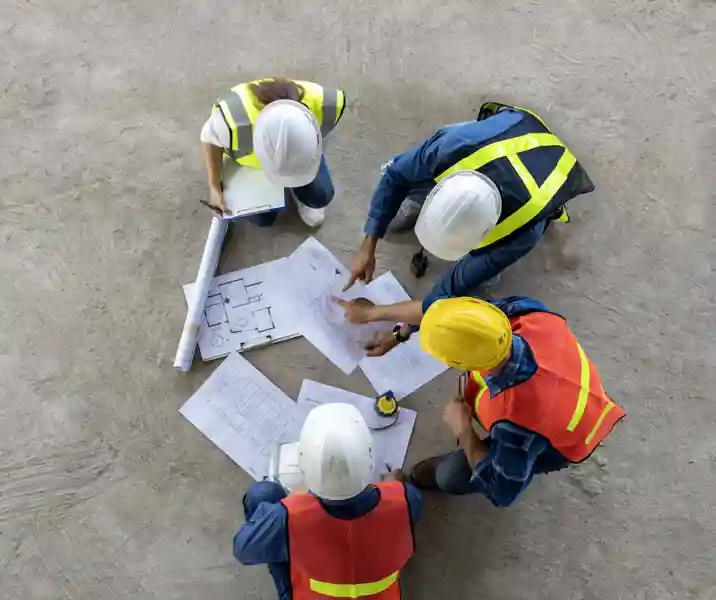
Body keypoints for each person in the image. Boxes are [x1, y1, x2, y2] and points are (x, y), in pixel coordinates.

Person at [341, 295, 625, 508]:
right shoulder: (518, 315)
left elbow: (503, 491)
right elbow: (444, 316)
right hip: (563, 391)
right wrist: (398, 333)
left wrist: (464, 430)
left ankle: (419, 480)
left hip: (564, 438)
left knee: (451, 476)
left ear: (458, 363)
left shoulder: (518, 421)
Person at [344, 102, 595, 292]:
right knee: (412, 168)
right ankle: (418, 199)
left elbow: (453, 286)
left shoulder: (521, 232)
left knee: (484, 276)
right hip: (503, 133)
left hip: (545, 165)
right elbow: (396, 177)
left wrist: (400, 329)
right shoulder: (452, 147)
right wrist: (368, 244)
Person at [234, 403, 423, 600]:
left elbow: (244, 550)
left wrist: (292, 501)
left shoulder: (287, 518)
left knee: (263, 494)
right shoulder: (407, 498)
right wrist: (393, 487)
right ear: (369, 457)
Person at [201, 77, 347, 228]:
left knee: (320, 195)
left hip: (302, 157)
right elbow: (208, 138)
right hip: (251, 166)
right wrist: (214, 186)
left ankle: (302, 189)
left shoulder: (326, 104)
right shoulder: (231, 122)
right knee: (262, 218)